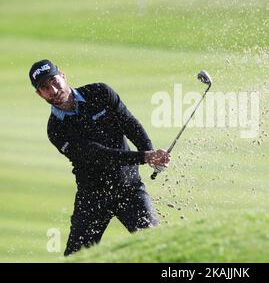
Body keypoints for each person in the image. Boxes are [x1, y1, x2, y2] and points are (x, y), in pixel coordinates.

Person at [29, 59, 170, 256]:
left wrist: (150, 152)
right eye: (44, 87)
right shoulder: (55, 130)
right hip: (93, 198)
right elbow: (98, 154)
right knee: (76, 257)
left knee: (156, 244)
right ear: (39, 94)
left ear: (63, 76)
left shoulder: (100, 92)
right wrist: (144, 157)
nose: (52, 89)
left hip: (129, 188)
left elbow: (130, 125)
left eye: (54, 81)